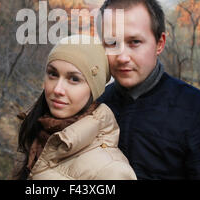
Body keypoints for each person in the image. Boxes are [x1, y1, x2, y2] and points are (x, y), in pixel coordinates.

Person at [97, 0, 200, 180]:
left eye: (134, 42)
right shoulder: (96, 104)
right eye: (112, 43)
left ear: (159, 43)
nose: (122, 57)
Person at [13, 35, 137, 180]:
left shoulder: (112, 171)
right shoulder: (37, 137)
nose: (58, 89)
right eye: (53, 74)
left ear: (93, 90)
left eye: (74, 79)